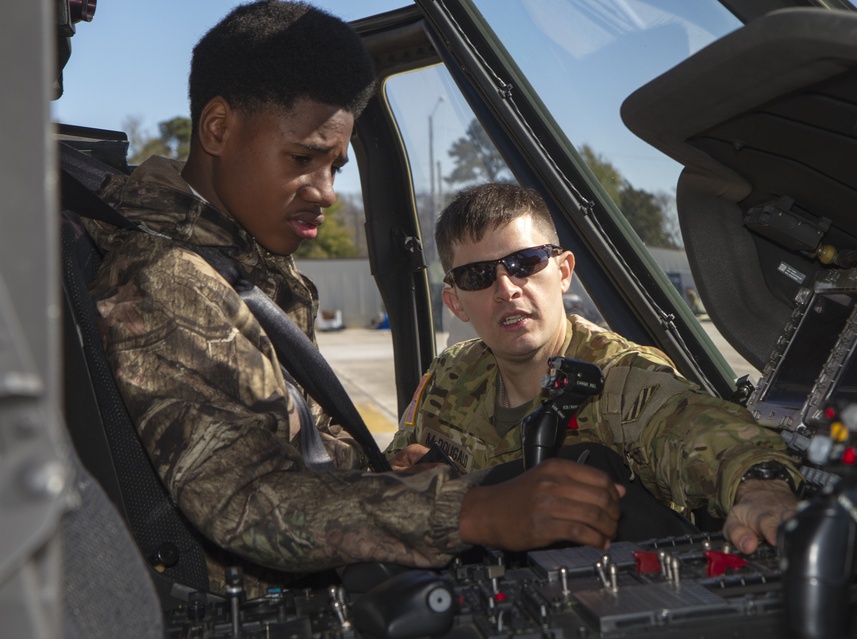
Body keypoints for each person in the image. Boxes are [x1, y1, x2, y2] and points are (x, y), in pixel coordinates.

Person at [84, 1, 622, 597]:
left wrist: (390, 479)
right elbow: (244, 498)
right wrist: (470, 513)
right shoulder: (167, 277)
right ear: (218, 129)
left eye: (335, 166)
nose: (327, 192)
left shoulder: (240, 266)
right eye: (302, 159)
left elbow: (293, 434)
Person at [388, 183, 802, 554]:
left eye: (525, 263)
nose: (507, 289)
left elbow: (698, 429)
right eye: (478, 275)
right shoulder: (448, 375)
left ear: (563, 271)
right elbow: (397, 462)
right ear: (456, 303)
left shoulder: (619, 378)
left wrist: (762, 488)